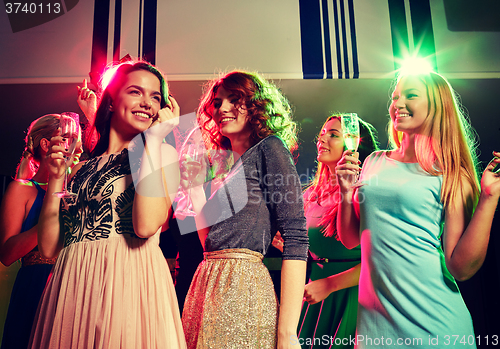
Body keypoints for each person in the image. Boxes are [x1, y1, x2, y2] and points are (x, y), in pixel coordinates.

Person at [28, 60, 187, 348]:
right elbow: (49, 248)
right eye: (136, 92)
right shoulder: (78, 169)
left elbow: (146, 225)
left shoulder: (161, 154)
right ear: (112, 101)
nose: (148, 103)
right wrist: (55, 179)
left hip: (129, 279)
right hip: (72, 283)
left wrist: (151, 141)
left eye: (155, 97)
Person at [336, 70, 500, 348]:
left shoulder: (451, 174)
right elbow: (351, 240)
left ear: (438, 105)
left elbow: (460, 268)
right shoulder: (374, 161)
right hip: (375, 330)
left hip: (435, 326)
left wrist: (488, 198)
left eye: (410, 95)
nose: (397, 103)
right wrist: (345, 192)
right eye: (395, 96)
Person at [179, 70, 309, 348]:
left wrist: (288, 332)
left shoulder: (270, 148)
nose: (222, 108)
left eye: (234, 99)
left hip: (243, 287)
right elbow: (211, 243)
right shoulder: (226, 167)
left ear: (256, 105)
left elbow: (296, 238)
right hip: (206, 285)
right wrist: (192, 187)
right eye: (217, 102)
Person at [273, 114, 379, 348]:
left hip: (352, 293)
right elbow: (312, 251)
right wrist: (287, 245)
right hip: (314, 292)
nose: (323, 139)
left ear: (354, 143)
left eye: (333, 135)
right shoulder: (309, 195)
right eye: (322, 134)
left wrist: (330, 284)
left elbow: (380, 259)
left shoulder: (365, 191)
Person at [0, 114, 64, 349]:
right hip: (36, 285)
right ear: (46, 144)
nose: (75, 146)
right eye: (67, 139)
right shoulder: (22, 189)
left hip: (73, 279)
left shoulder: (78, 189)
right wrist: (52, 221)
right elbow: (7, 255)